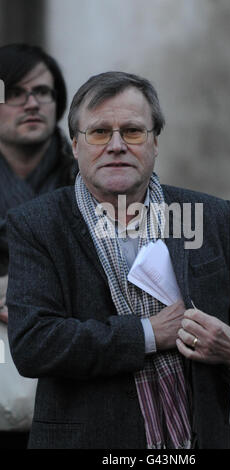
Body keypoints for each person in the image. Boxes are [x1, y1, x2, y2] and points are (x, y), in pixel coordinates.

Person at [6, 71, 230, 449]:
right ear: (75, 146)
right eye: (98, 133)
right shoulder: (37, 223)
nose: (116, 145)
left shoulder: (210, 216)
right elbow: (33, 345)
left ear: (155, 142)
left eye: (132, 131)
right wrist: (148, 334)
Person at [0, 43, 77, 448]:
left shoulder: (94, 179)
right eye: (14, 93)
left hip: (74, 372)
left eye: (43, 92)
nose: (31, 103)